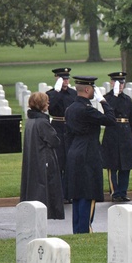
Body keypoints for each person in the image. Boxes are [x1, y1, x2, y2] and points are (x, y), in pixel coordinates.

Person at [65, 75, 116, 233]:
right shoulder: (87, 110)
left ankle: (78, 230)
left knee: (78, 194)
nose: (95, 91)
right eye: (94, 88)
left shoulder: (70, 109)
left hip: (74, 151)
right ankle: (85, 229)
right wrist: (103, 101)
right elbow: (110, 120)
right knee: (89, 193)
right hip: (88, 153)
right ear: (87, 89)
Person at [19, 92, 64, 219]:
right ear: (41, 104)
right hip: (43, 160)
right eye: (46, 101)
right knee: (43, 189)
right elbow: (54, 141)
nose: (48, 104)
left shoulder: (30, 121)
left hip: (34, 159)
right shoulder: (42, 122)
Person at [100, 71, 132, 203]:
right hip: (112, 133)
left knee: (125, 166)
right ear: (111, 83)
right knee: (113, 166)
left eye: (122, 83)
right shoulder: (107, 98)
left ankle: (123, 191)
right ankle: (114, 192)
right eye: (117, 82)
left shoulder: (127, 99)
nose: (120, 85)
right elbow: (109, 111)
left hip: (125, 134)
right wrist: (115, 96)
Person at [46, 67, 77, 201]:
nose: (66, 81)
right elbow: (51, 107)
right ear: (57, 79)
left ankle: (68, 193)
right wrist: (57, 92)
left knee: (70, 163)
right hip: (57, 127)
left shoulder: (73, 93)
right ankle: (58, 194)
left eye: (67, 78)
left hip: (70, 128)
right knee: (58, 162)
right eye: (63, 79)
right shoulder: (51, 93)